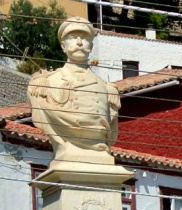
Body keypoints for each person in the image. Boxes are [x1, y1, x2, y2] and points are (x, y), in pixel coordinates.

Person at [28, 16, 120, 167]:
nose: (79, 42)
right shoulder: (47, 83)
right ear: (63, 46)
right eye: (72, 37)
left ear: (91, 45)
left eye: (84, 38)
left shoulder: (107, 89)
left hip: (100, 156)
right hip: (67, 154)